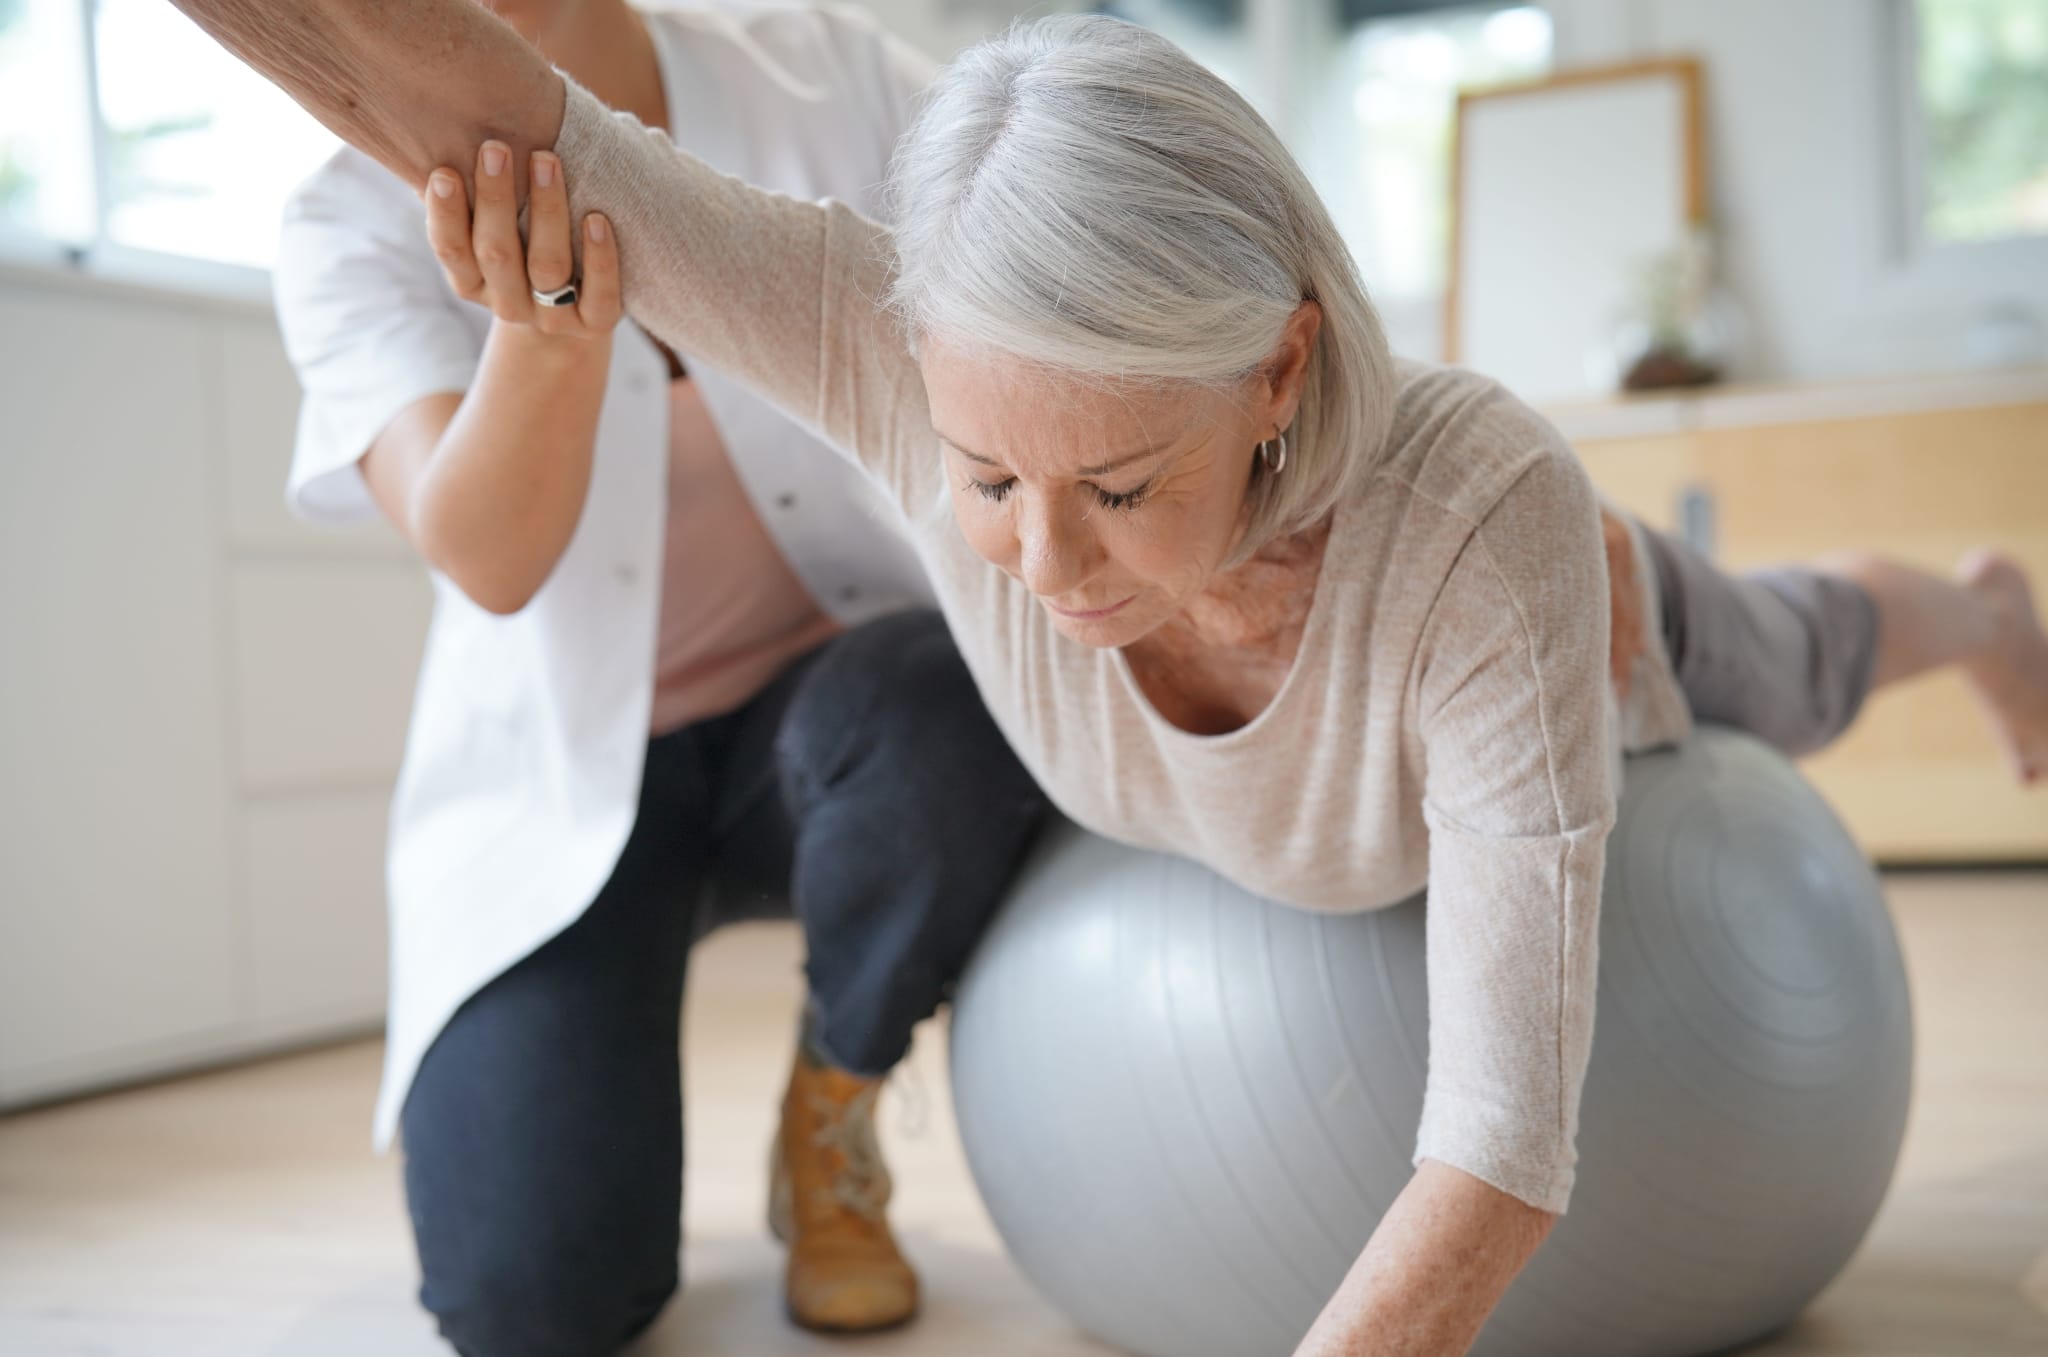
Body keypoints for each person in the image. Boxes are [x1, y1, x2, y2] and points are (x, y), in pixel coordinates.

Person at [186, 4, 2048, 1351]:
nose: (1047, 567)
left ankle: (1982, 608)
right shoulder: (885, 348)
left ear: (1272, 372)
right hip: (597, 775)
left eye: (1121, 488)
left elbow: (1497, 1146)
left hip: (1610, 614)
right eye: (988, 484)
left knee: (1798, 658)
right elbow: (521, 125)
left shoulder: (1488, 534)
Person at [266, 3, 1046, 1352]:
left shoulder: (831, 76)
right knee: (535, 1304)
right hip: (570, 783)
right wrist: (553, 327)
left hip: (844, 725)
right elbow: (489, 558)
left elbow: (1039, 272)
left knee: (942, 700)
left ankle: (834, 1106)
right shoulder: (344, 225)